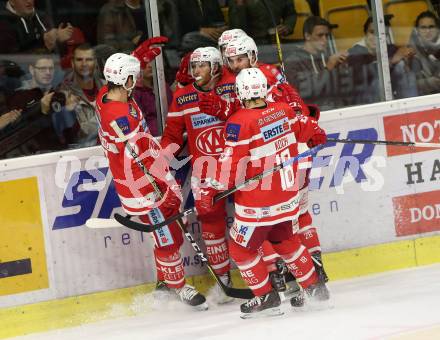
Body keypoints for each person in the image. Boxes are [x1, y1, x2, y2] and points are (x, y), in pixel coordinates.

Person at [198, 67, 329, 317]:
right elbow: (306, 126)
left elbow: (229, 168)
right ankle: (315, 289)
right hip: (288, 198)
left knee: (240, 248)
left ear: (240, 92)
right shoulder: (283, 109)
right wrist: (316, 133)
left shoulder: (239, 122)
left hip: (258, 204)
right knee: (286, 240)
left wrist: (210, 189)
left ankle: (265, 296)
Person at [95, 45, 208, 310]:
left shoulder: (106, 96)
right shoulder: (119, 117)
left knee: (171, 234)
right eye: (135, 76)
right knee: (166, 236)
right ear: (128, 81)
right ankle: (179, 287)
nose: (139, 81)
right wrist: (161, 186)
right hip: (142, 186)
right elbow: (141, 158)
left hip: (151, 177)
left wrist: (137, 58)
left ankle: (165, 281)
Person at [161, 47, 235, 304]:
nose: (196, 71)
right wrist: (161, 162)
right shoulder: (182, 97)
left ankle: (273, 272)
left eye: (202, 65)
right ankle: (224, 279)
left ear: (216, 67)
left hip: (239, 164)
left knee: (255, 220)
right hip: (205, 170)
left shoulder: (232, 86)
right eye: (193, 66)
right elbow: (172, 135)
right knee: (211, 226)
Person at [284, 16, 350, 110]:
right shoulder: (292, 62)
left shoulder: (329, 57)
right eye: (320, 35)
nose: (325, 40)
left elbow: (344, 90)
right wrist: (328, 68)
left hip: (338, 109)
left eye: (327, 35)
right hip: (312, 114)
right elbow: (301, 94)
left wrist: (344, 69)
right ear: (307, 36)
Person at [347, 17, 418, 104]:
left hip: (390, 94)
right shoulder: (355, 52)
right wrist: (391, 61)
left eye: (382, 34)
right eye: (372, 32)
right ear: (365, 34)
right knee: (378, 82)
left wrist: (407, 57)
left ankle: (412, 107)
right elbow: (362, 76)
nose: (377, 38)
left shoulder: (390, 48)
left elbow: (405, 68)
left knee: (405, 70)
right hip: (364, 100)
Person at [57, 43, 104, 147]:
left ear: (95, 63)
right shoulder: (65, 94)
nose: (84, 64)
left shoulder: (109, 88)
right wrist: (107, 115)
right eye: (79, 60)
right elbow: (78, 136)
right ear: (72, 63)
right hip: (85, 157)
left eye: (89, 59)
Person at [0, 0, 73, 53]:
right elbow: (14, 60)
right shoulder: (3, 23)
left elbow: (57, 52)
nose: (29, 1)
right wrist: (47, 46)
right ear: (12, 1)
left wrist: (59, 41)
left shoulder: (43, 17)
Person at [228, 0, 297, 44]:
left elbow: (291, 14)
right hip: (250, 43)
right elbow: (235, 29)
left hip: (275, 41)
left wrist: (287, 26)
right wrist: (239, 5)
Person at [133, 60, 172, 136]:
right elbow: (140, 123)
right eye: (145, 63)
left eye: (152, 62)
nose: (150, 66)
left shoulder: (163, 86)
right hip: (152, 139)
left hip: (171, 133)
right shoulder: (136, 93)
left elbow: (173, 111)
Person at [409, 11, 440, 95]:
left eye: (431, 27)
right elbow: (410, 86)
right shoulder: (411, 52)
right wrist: (433, 82)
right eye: (423, 27)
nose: (427, 31)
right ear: (417, 30)